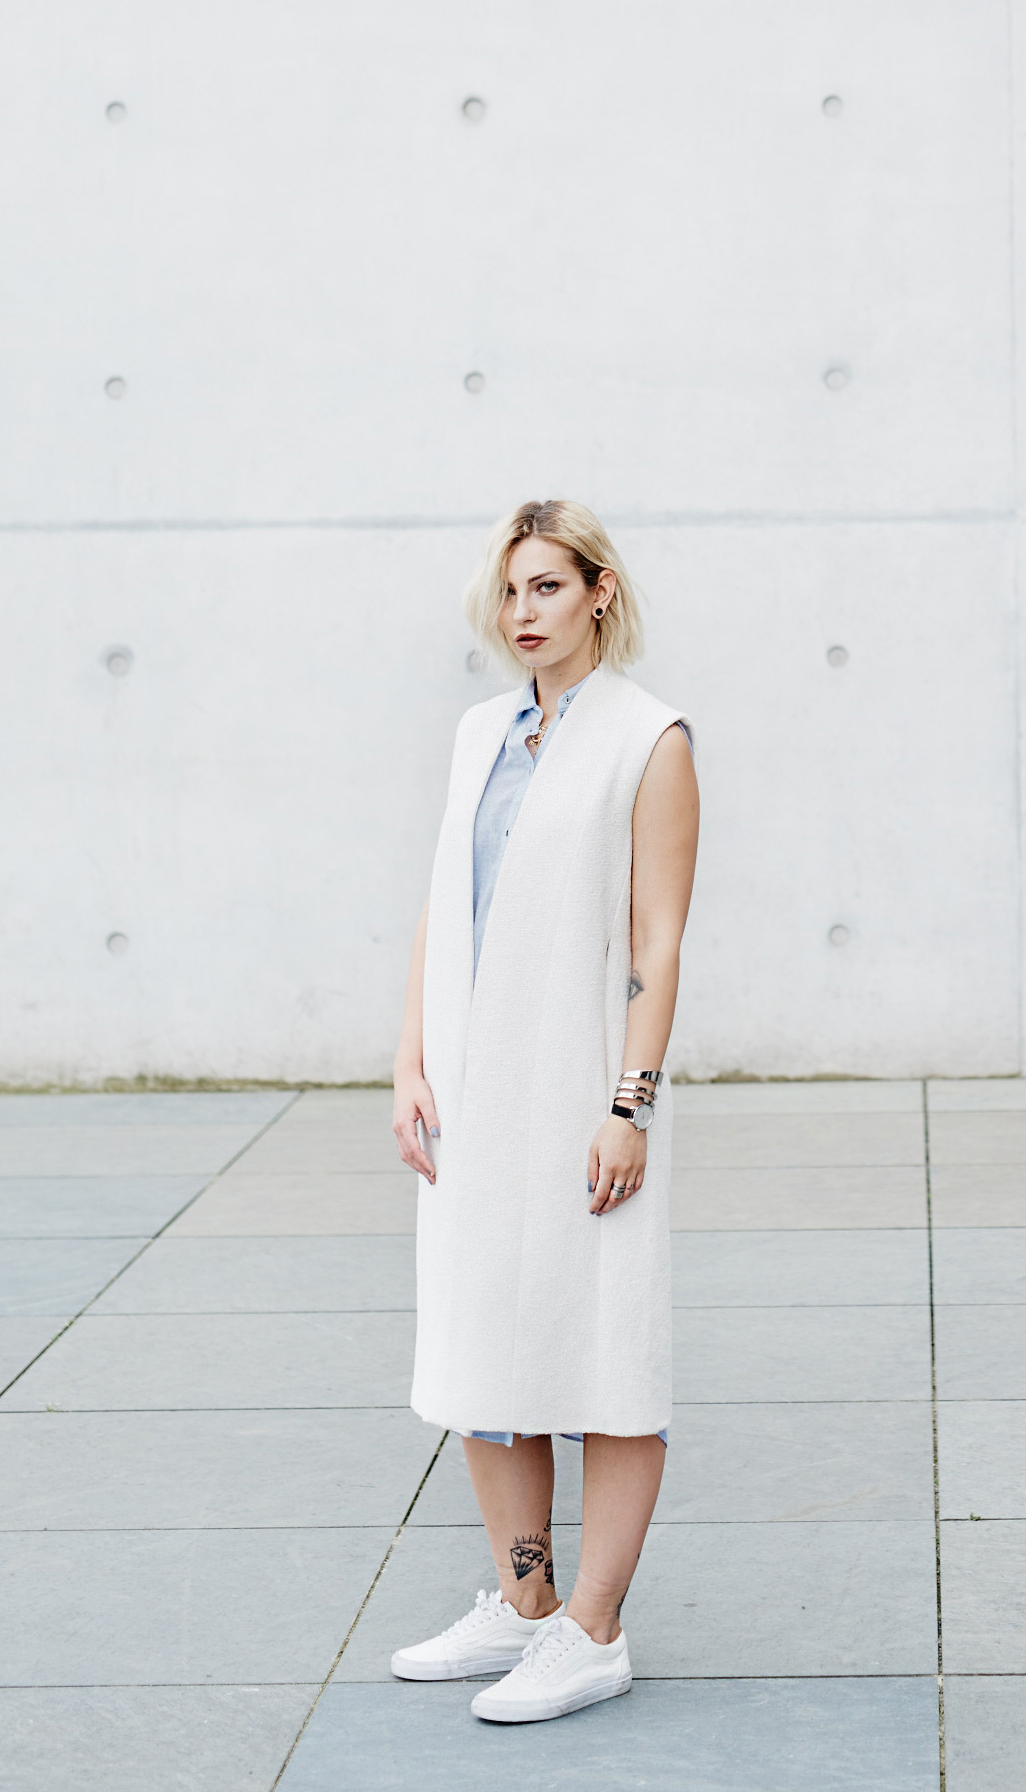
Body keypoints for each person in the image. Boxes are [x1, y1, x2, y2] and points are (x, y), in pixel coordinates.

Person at [390, 499, 698, 1724]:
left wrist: (629, 1103)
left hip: (581, 1091)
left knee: (603, 1347)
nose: (523, 614)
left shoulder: (647, 736)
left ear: (598, 592)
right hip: (469, 1095)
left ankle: (593, 1630)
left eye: (547, 588)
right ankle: (524, 1606)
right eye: (510, 593)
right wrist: (409, 1061)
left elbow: (658, 938)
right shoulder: (479, 733)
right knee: (480, 1351)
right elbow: (438, 905)